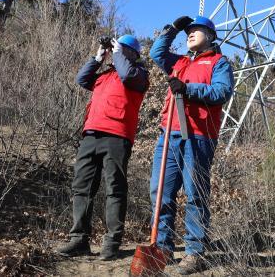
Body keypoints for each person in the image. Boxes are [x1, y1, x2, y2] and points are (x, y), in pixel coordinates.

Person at [149, 15, 234, 275]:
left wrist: (188, 89)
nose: (190, 33)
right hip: (169, 134)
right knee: (160, 191)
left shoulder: (219, 63)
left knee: (195, 194)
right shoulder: (180, 62)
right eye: (188, 31)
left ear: (210, 35)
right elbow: (156, 52)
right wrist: (172, 29)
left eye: (195, 30)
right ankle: (162, 248)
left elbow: (222, 92)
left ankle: (194, 252)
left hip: (198, 135)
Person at [57, 34, 149, 260]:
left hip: (117, 136)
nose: (114, 49)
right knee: (82, 186)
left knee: (114, 188)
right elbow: (81, 79)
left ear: (132, 53)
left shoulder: (139, 75)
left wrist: (118, 53)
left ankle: (111, 242)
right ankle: (79, 239)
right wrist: (97, 57)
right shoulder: (105, 75)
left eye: (121, 47)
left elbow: (127, 74)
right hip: (91, 134)